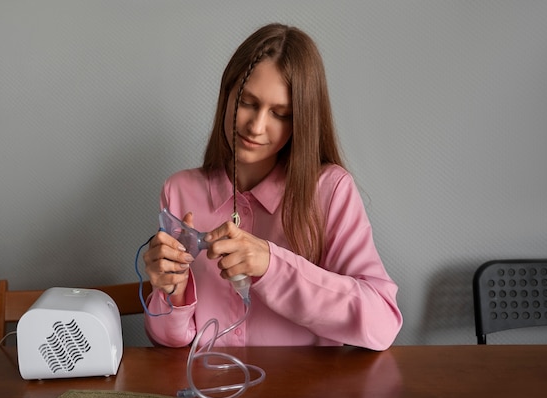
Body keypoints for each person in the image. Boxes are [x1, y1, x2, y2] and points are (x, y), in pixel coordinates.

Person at [142, 23, 402, 351]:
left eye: (280, 113)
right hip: (206, 393)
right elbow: (168, 341)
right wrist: (171, 289)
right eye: (248, 103)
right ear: (227, 95)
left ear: (300, 122)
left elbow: (382, 324)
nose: (256, 125)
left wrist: (271, 266)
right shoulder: (180, 190)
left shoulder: (330, 191)